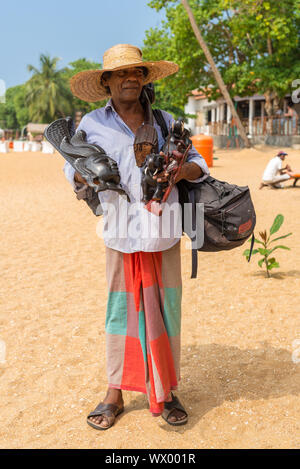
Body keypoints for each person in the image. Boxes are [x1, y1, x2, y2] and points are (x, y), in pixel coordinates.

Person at [63, 44, 209, 430]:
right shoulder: (92, 124)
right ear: (106, 81)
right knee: (120, 314)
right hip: (120, 232)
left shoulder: (165, 121)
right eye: (122, 73)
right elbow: (70, 169)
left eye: (138, 73)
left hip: (163, 232)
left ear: (145, 79)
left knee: (165, 312)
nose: (131, 79)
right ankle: (115, 391)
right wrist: (88, 173)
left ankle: (166, 390)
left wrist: (179, 173)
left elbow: (199, 164)